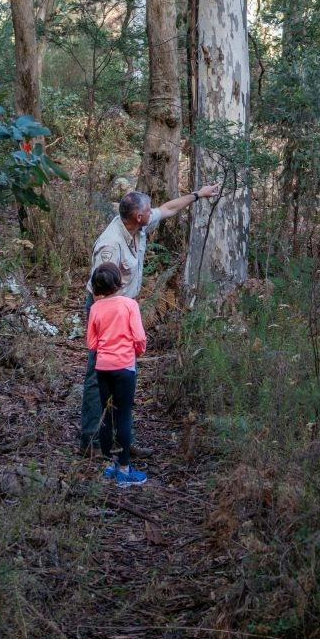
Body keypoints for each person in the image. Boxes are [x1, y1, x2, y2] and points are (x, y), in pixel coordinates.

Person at [78, 185, 220, 451]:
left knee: (124, 376)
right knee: (99, 373)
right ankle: (92, 440)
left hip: (125, 307)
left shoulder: (137, 225)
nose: (151, 211)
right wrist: (116, 324)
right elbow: (99, 290)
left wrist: (198, 195)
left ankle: (121, 439)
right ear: (137, 217)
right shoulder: (110, 245)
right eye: (146, 210)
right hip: (106, 310)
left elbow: (167, 209)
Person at [86, 262, 146, 486]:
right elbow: (139, 338)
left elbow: (92, 343)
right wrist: (136, 352)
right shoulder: (130, 305)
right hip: (125, 367)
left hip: (103, 368)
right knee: (123, 416)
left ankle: (109, 465)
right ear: (118, 282)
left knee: (106, 415)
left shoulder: (95, 309)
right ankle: (124, 469)